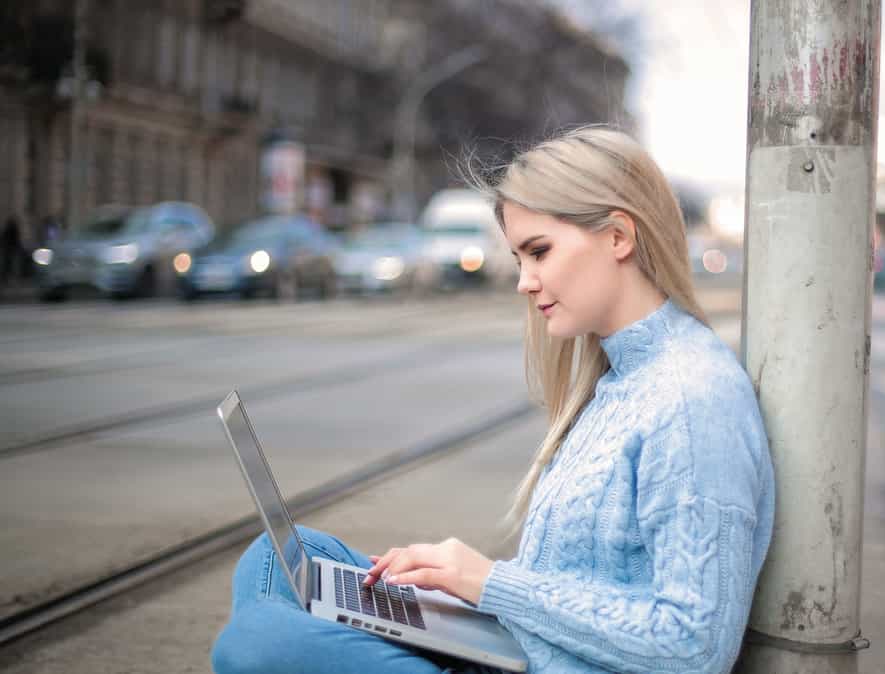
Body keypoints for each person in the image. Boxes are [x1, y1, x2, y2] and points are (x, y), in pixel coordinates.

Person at [211, 127, 776, 674]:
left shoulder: (690, 401)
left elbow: (693, 648)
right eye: (519, 257)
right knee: (283, 555)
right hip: (515, 646)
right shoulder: (623, 372)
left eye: (539, 251)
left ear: (618, 237)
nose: (524, 281)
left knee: (257, 643)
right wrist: (469, 602)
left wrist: (487, 584)